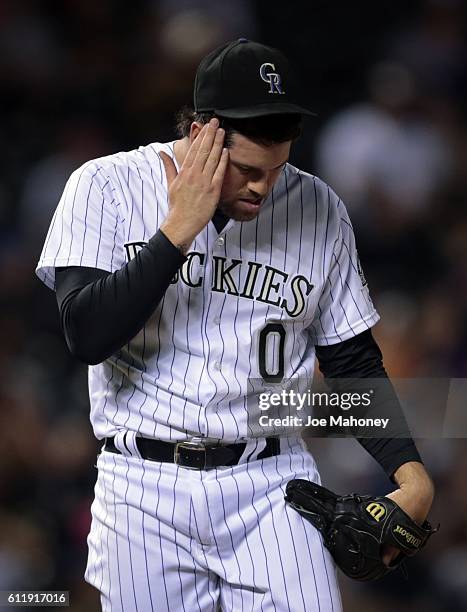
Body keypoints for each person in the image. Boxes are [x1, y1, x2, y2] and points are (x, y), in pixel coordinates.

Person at [36, 39, 434, 611]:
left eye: (276, 168)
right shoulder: (106, 186)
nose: (262, 187)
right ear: (202, 134)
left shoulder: (319, 208)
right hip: (142, 488)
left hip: (271, 483)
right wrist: (179, 229)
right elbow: (85, 334)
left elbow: (353, 361)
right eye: (247, 169)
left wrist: (410, 471)